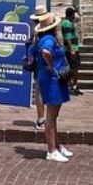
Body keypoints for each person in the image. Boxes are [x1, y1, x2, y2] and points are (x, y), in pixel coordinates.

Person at [33, 10, 73, 162]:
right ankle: (51, 150)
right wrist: (51, 67)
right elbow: (45, 52)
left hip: (52, 79)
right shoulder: (48, 40)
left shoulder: (44, 38)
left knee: (54, 115)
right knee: (51, 115)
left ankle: (56, 145)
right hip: (52, 80)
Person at [60, 7, 84, 96]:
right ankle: (70, 86)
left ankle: (74, 86)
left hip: (74, 48)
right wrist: (72, 50)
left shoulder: (69, 22)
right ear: (71, 14)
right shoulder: (66, 23)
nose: (75, 15)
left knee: (75, 68)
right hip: (71, 50)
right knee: (72, 68)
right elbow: (67, 38)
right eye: (74, 14)